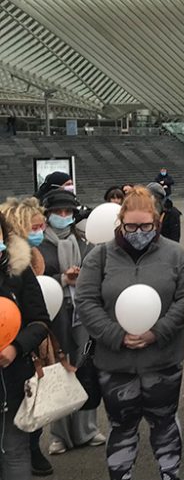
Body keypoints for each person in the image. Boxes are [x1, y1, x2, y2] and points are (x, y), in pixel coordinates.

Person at [75, 188, 184, 480]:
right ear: (121, 223)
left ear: (157, 223)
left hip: (163, 360)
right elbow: (86, 302)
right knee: (122, 427)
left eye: (146, 226)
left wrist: (157, 331)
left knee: (165, 424)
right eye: (131, 226)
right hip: (115, 363)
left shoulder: (176, 255)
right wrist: (116, 335)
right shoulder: (99, 257)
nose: (139, 233)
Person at [36, 190, 105, 457]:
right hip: (54, 314)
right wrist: (62, 280)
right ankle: (59, 434)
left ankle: (86, 429)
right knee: (59, 369)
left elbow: (98, 270)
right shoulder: (40, 245)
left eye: (68, 212)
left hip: (83, 312)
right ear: (48, 214)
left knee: (85, 366)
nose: (63, 217)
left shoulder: (85, 241)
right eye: (58, 212)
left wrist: (82, 276)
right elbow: (34, 282)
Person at [0, 211, 49, 480]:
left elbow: (39, 320)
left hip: (10, 377)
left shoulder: (18, 269)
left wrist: (16, 347)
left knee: (15, 450)